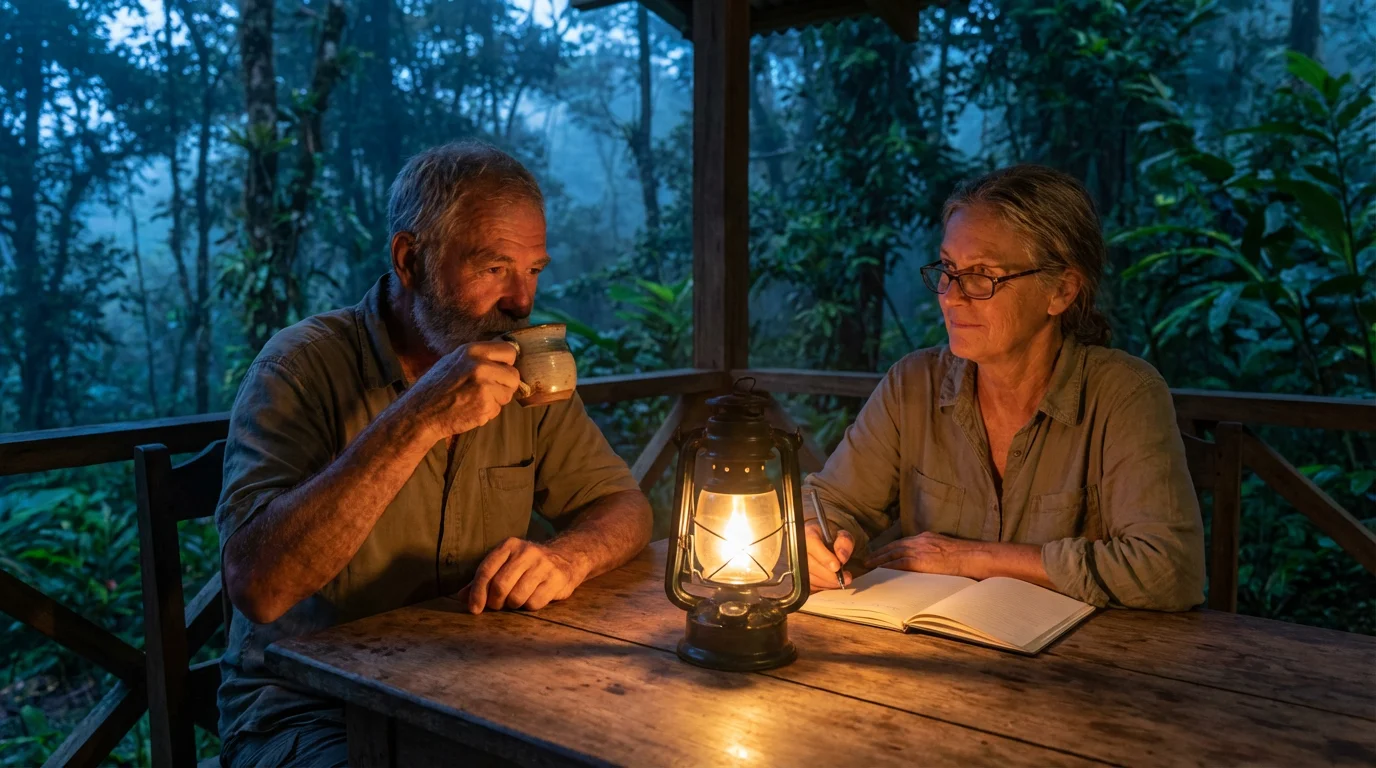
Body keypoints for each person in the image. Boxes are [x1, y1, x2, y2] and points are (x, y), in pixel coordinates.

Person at [215, 141, 652, 766]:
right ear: (410, 259)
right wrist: (416, 419)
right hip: (310, 712)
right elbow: (257, 587)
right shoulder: (299, 367)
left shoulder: (523, 363)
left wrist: (567, 558)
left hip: (473, 690)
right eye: (494, 267)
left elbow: (623, 505)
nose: (522, 301)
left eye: (533, 270)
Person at [803, 164, 1204, 611]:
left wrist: (970, 557)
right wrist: (815, 536)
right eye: (948, 268)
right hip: (931, 653)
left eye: (982, 275)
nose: (951, 296)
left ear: (1061, 291)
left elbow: (1171, 570)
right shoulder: (912, 386)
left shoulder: (1124, 395)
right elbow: (829, 501)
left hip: (1084, 666)